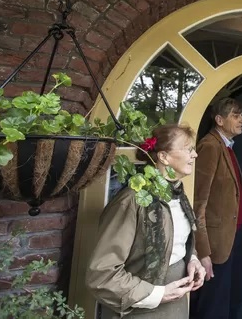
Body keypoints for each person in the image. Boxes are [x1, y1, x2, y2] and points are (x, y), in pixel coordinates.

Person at [87, 124, 206, 319]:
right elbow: (102, 275)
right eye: (188, 149)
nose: (195, 155)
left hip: (176, 308)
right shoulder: (132, 201)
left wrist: (192, 260)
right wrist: (159, 294)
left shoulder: (178, 193)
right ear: (164, 157)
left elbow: (177, 241)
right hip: (139, 312)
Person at [190, 97, 242, 319]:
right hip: (215, 246)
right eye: (236, 115)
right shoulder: (210, 146)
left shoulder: (226, 147)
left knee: (232, 301)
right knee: (213, 308)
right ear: (219, 120)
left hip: (234, 237)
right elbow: (198, 203)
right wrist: (203, 251)